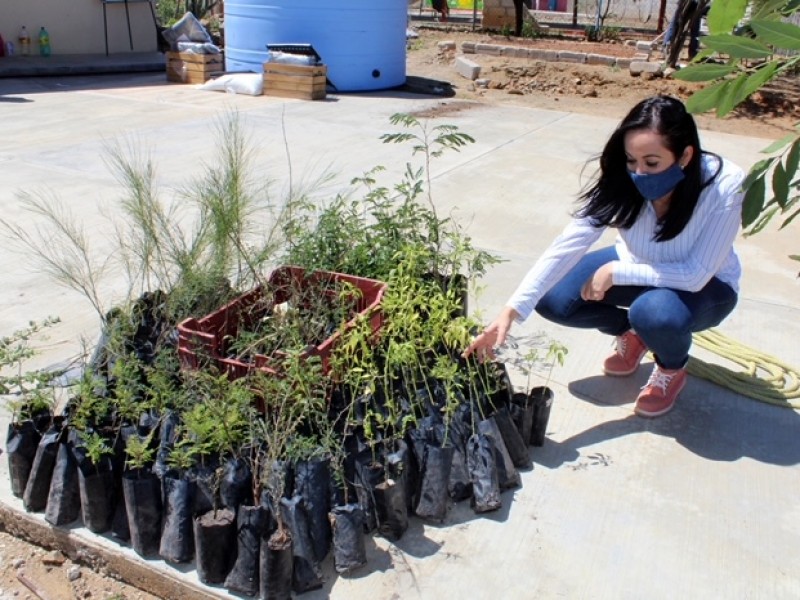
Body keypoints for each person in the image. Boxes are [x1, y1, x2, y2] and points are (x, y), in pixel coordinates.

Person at [464, 95, 744, 418]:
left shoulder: (725, 185)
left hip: (707, 288)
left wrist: (616, 272)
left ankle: (671, 367)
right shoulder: (623, 181)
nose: (639, 172)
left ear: (684, 156)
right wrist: (509, 312)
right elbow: (570, 241)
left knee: (654, 313)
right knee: (553, 298)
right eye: (630, 160)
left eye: (652, 163)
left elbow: (697, 274)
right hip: (637, 265)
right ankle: (634, 334)